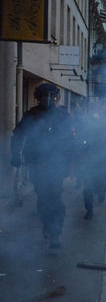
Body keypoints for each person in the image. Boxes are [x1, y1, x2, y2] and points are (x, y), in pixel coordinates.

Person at [10, 83, 74, 249]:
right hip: (37, 164)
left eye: (51, 96)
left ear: (55, 98)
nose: (47, 100)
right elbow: (17, 135)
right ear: (38, 98)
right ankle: (48, 225)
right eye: (44, 96)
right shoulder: (31, 115)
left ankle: (55, 231)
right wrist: (15, 155)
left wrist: (71, 163)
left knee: (54, 197)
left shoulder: (62, 116)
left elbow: (71, 142)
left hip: (57, 164)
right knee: (43, 198)